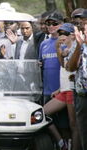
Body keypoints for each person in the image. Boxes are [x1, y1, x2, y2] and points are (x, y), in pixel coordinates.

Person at [44, 23, 80, 150]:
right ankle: (61, 143)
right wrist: (57, 47)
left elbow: (72, 69)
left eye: (64, 33)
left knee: (73, 125)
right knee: (43, 113)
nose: (61, 36)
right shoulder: (65, 48)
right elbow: (64, 67)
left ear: (72, 35)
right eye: (60, 34)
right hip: (63, 91)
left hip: (72, 90)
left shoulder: (76, 48)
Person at [67, 9, 87, 150]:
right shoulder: (77, 41)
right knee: (84, 134)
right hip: (82, 95)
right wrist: (80, 46)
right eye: (76, 21)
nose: (79, 23)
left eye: (82, 20)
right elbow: (70, 67)